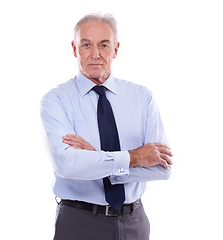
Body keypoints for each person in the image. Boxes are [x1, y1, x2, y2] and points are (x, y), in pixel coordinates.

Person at [40, 13, 173, 240]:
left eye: (104, 45)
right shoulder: (55, 100)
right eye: (86, 45)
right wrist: (134, 157)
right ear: (74, 49)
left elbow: (162, 168)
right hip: (78, 222)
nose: (95, 54)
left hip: (135, 222)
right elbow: (68, 165)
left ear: (116, 49)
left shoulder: (142, 97)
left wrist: (96, 159)